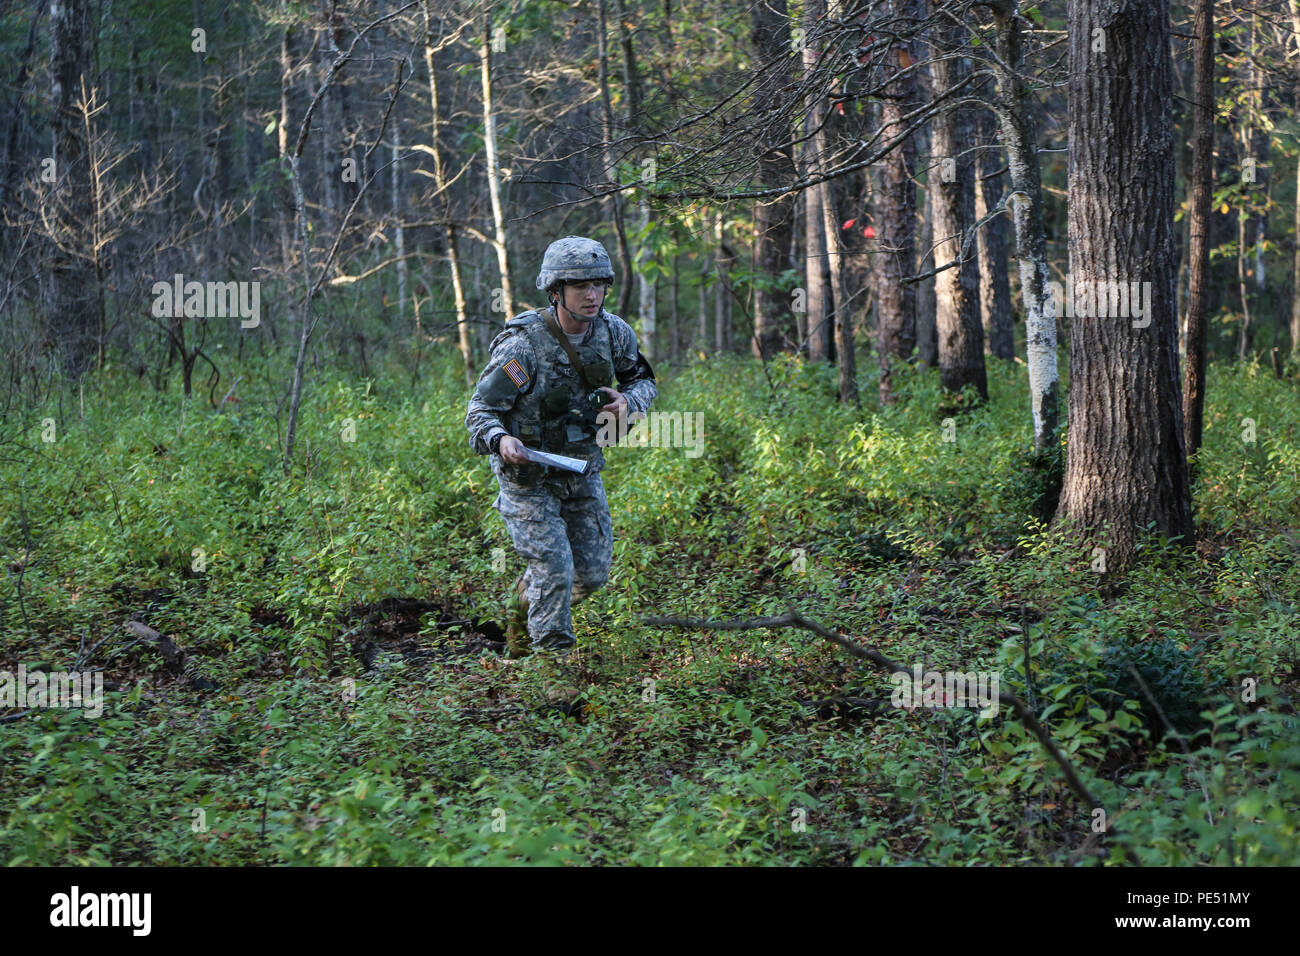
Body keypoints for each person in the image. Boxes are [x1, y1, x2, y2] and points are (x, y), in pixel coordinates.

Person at [465, 236, 657, 691]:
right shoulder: (523, 347)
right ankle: (556, 680)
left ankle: (521, 604)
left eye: (598, 285)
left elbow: (644, 380)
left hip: (581, 469)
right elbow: (479, 412)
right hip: (528, 478)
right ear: (556, 290)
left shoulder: (614, 334)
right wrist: (501, 438)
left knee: (591, 573)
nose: (591, 295)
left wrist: (628, 402)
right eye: (579, 286)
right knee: (554, 569)